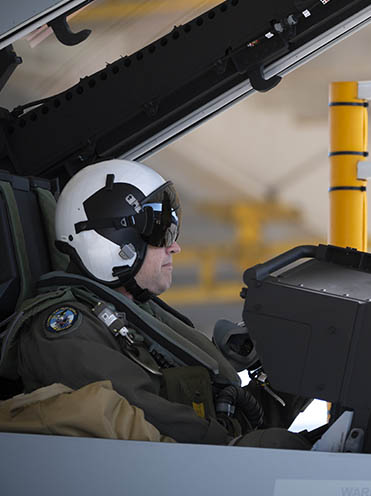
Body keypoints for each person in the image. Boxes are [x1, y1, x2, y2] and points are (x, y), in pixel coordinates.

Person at [0, 159, 309, 447]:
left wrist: (303, 365)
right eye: (161, 233)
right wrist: (239, 448)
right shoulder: (63, 333)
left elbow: (232, 417)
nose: (174, 246)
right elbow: (154, 420)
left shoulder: (135, 314)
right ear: (111, 240)